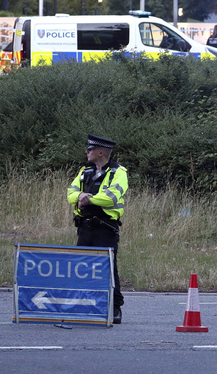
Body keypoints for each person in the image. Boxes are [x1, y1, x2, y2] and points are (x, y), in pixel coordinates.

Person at [67, 134, 128, 324]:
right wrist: (80, 196)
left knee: (108, 268)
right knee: (82, 267)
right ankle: (83, 305)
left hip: (105, 227)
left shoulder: (119, 172)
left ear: (101, 152)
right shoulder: (84, 171)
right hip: (85, 226)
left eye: (90, 149)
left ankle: (115, 307)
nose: (87, 152)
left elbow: (111, 197)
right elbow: (71, 193)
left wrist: (87, 198)